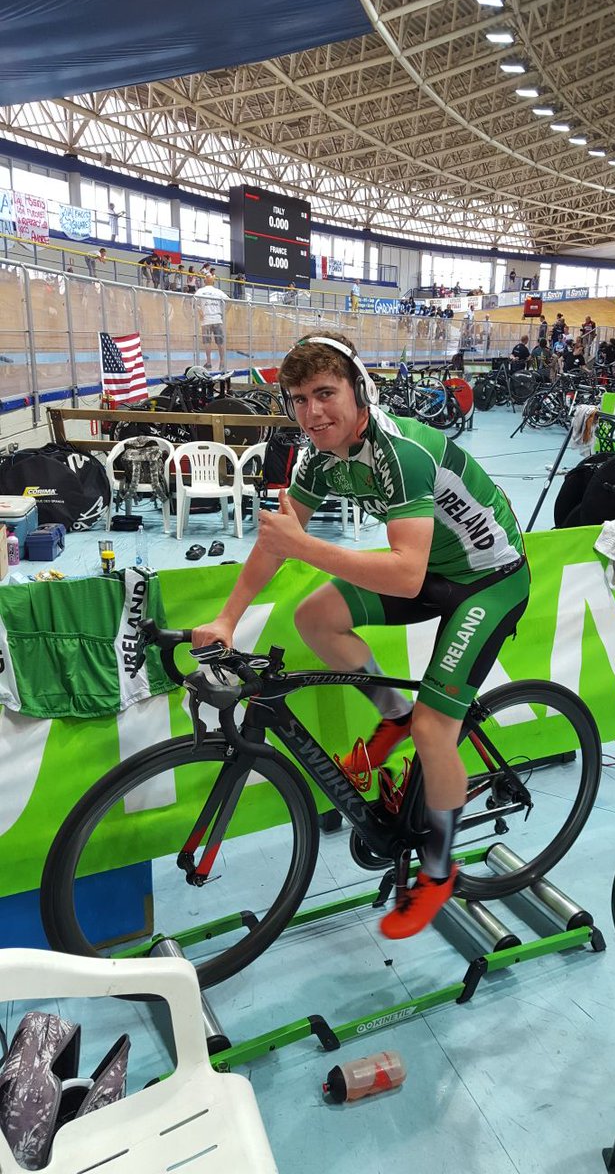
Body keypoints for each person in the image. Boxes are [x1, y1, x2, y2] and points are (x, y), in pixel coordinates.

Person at [192, 332, 530, 938]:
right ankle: (392, 713)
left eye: (325, 393)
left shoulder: (399, 454)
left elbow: (404, 575)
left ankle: (437, 869)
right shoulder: (320, 457)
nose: (311, 412)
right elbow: (277, 541)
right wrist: (227, 617)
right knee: (313, 618)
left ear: (360, 391)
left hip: (488, 580)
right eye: (298, 398)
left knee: (435, 729)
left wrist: (307, 547)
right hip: (433, 571)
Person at [194, 274, 228, 370]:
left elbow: (193, 302)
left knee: (207, 342)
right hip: (217, 319)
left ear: (204, 281)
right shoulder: (218, 292)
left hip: (206, 320)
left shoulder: (200, 291)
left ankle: (209, 362)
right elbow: (229, 301)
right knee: (220, 342)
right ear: (213, 281)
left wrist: (199, 309)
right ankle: (222, 362)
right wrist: (224, 312)